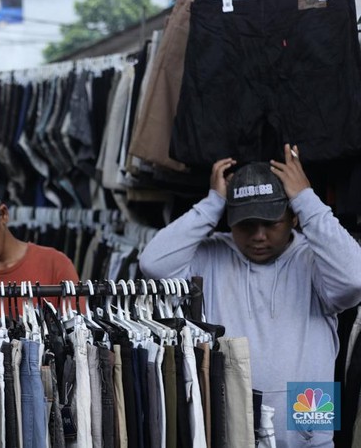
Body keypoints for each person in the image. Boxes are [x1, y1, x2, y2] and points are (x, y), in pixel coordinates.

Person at [139, 144, 361, 446]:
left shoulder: (315, 259)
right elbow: (152, 263)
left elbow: (356, 278)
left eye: (270, 223)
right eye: (246, 224)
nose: (258, 235)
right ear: (229, 220)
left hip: (309, 422)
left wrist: (306, 200)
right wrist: (212, 204)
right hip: (231, 425)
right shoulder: (213, 255)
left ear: (293, 217)